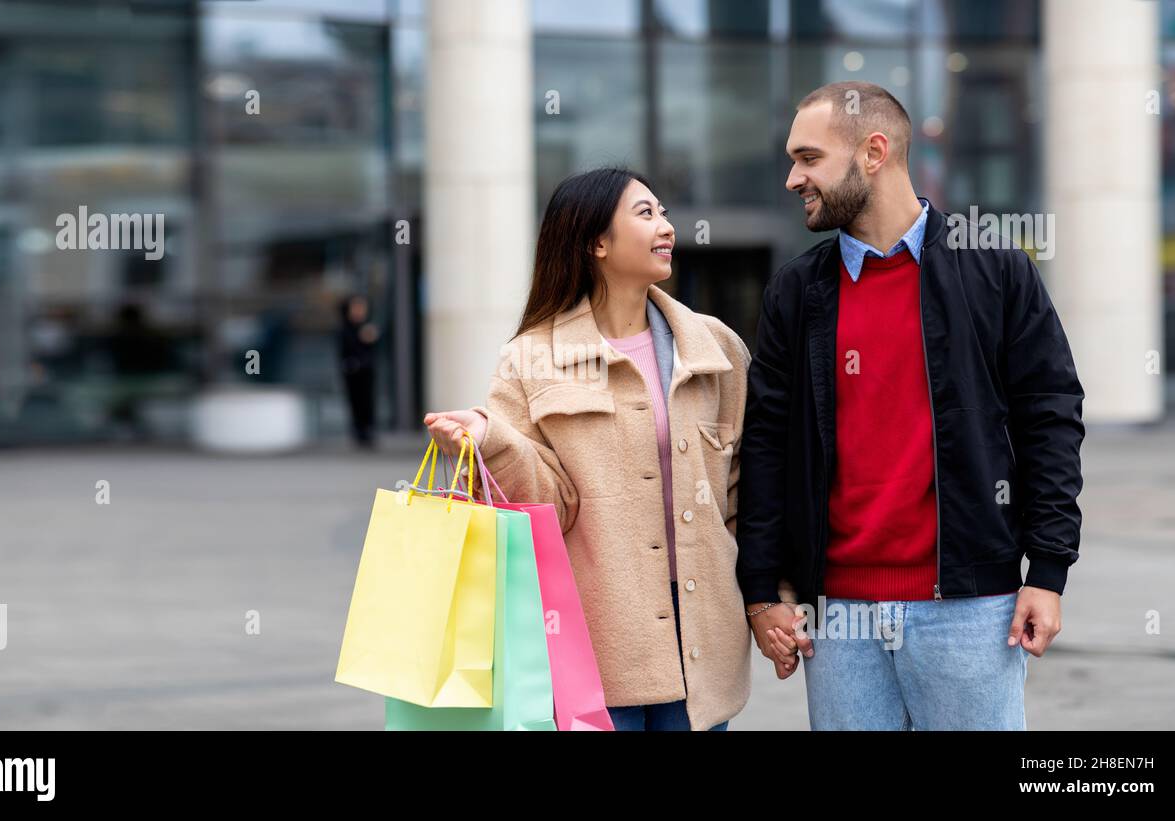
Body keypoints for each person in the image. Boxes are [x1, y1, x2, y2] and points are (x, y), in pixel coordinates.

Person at [738, 81, 1084, 730]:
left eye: (808, 158)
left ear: (873, 152)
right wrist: (761, 587)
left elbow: (1051, 418)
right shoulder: (797, 289)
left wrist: (1048, 569)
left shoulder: (996, 269)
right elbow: (765, 444)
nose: (793, 178)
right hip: (836, 615)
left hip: (971, 607)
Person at [425, 168, 785, 730]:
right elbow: (547, 506)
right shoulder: (531, 357)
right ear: (596, 242)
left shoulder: (716, 348)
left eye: (663, 212)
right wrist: (489, 440)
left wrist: (769, 595)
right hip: (591, 645)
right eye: (645, 214)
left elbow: (744, 491)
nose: (666, 227)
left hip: (702, 641)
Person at [337, 295, 379, 449]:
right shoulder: (345, 329)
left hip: (366, 371)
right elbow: (344, 351)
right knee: (355, 402)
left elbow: (372, 349)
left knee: (367, 401)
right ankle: (358, 431)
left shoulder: (367, 327)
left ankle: (368, 430)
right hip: (351, 372)